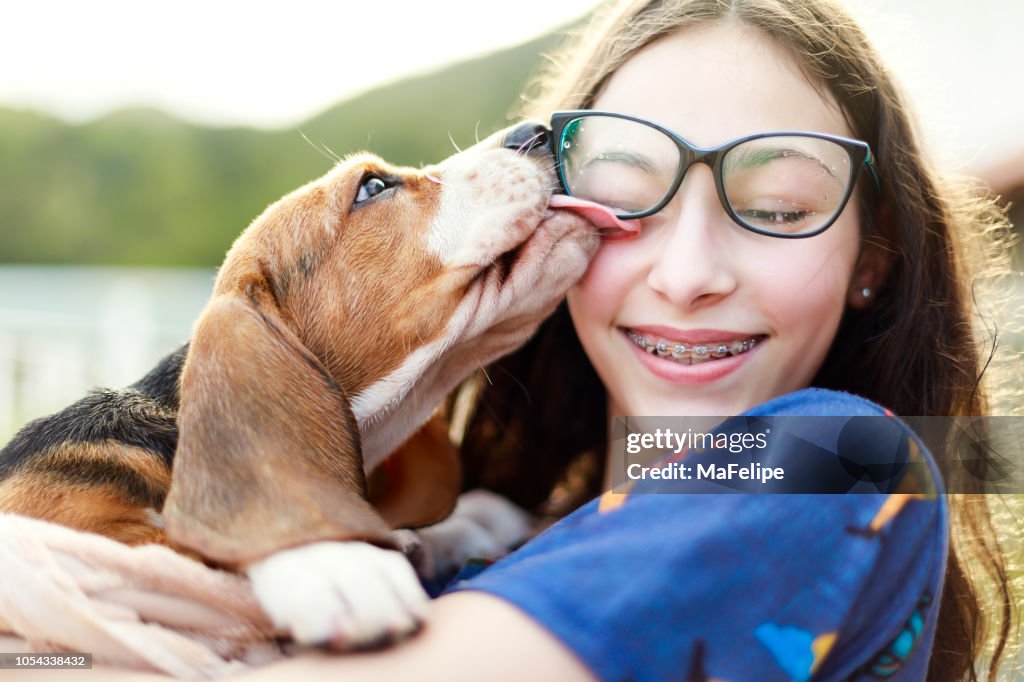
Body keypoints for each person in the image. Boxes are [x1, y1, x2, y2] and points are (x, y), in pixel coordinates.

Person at [9, 1, 1015, 680]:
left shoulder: (836, 459)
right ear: (559, 227)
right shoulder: (508, 522)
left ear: (871, 255)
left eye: (779, 206)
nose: (689, 271)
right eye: (627, 196)